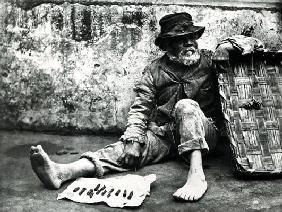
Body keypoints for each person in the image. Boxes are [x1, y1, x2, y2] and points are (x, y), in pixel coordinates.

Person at [30, 12, 224, 202]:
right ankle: (62, 172)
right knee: (125, 149)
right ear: (167, 45)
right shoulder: (154, 70)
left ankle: (197, 176)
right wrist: (133, 140)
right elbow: (141, 108)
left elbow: (249, 47)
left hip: (205, 135)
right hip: (166, 135)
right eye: (182, 39)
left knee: (186, 106)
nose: (189, 42)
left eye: (192, 37)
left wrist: (234, 47)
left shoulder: (209, 60)